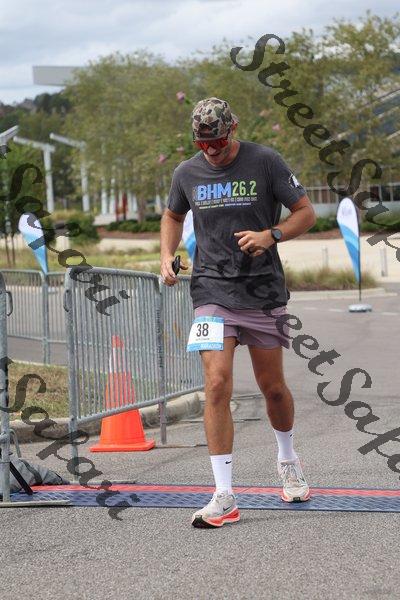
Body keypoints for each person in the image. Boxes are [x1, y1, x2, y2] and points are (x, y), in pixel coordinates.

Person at [160, 97, 316, 529]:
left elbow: (306, 213)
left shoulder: (265, 161)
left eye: (218, 142)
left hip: (263, 292)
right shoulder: (186, 172)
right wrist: (166, 255)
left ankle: (288, 459)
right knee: (216, 383)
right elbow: (172, 215)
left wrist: (272, 235)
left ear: (233, 129)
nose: (211, 150)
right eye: (203, 144)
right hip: (211, 290)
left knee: (273, 388)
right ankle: (224, 495)